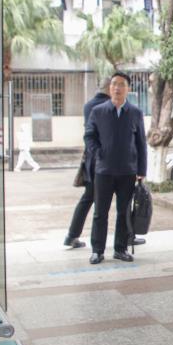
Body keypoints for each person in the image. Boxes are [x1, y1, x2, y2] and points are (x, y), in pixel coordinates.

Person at [84, 71, 147, 264]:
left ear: (128, 89)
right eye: (114, 84)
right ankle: (97, 250)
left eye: (121, 84)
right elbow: (89, 136)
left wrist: (141, 171)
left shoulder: (135, 113)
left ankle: (120, 249)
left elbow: (141, 143)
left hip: (128, 171)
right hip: (103, 171)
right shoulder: (98, 111)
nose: (117, 88)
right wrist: (98, 153)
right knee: (100, 213)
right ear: (109, 88)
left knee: (124, 212)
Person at [63, 79, 110, 249]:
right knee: (121, 199)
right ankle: (127, 237)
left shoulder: (88, 105)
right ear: (110, 88)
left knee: (88, 198)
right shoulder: (108, 106)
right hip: (106, 160)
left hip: (90, 159)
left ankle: (72, 235)